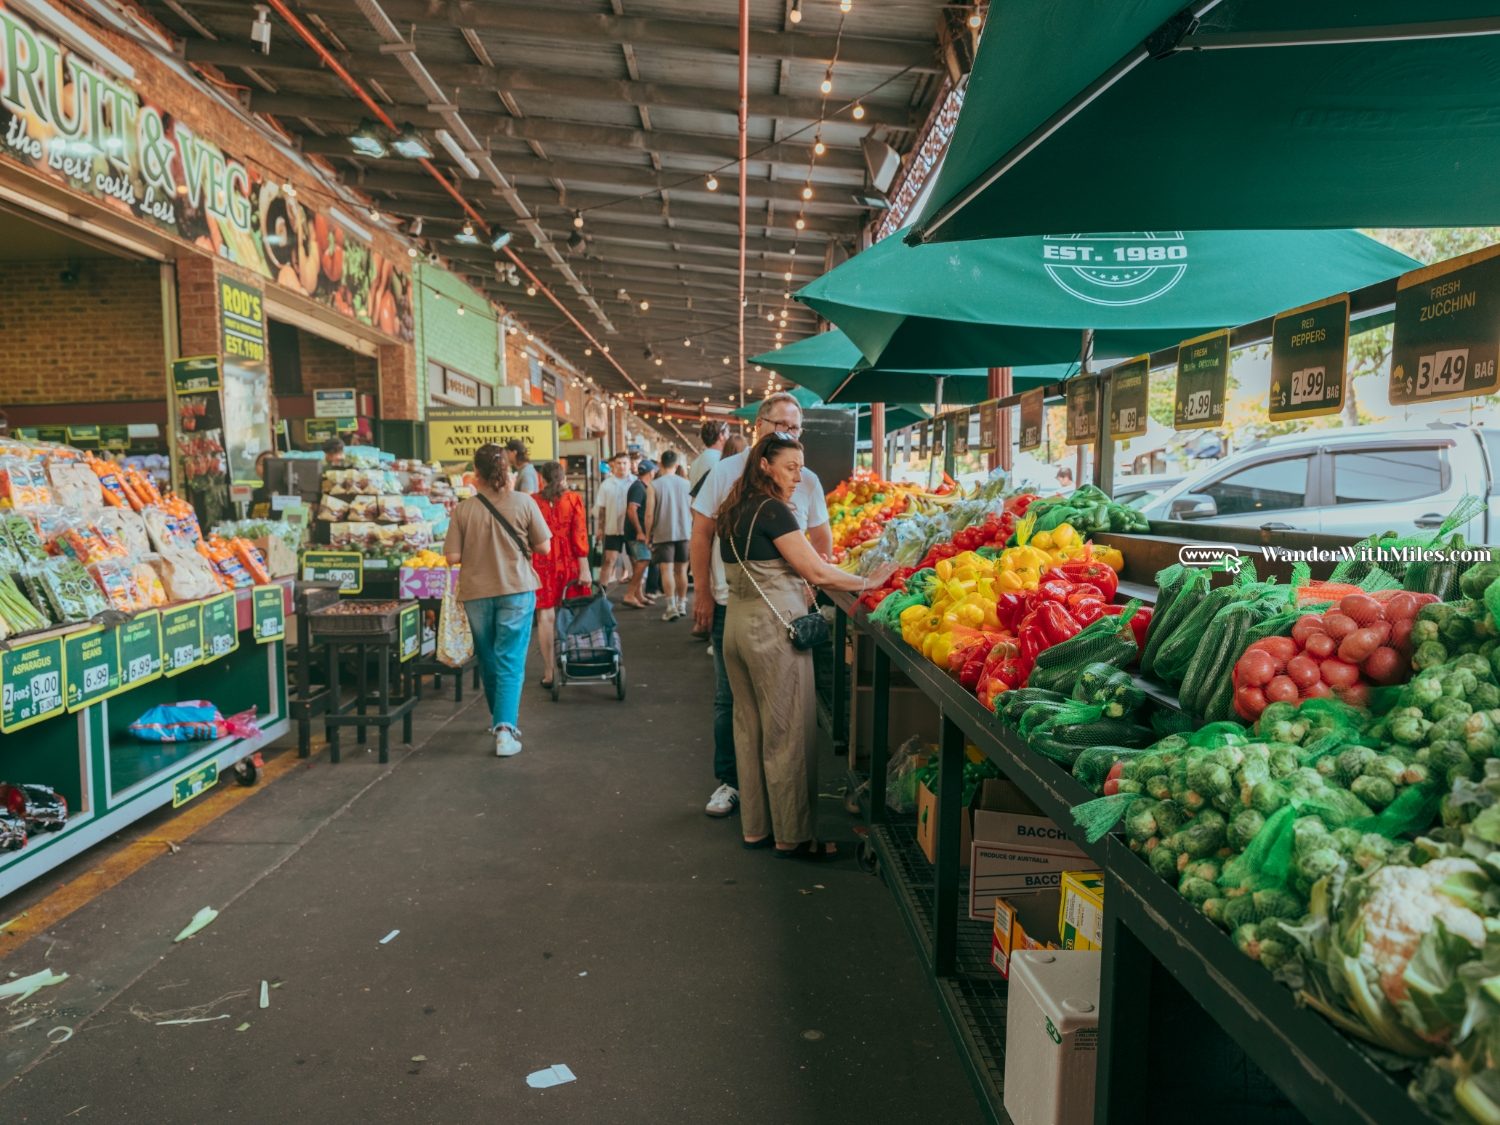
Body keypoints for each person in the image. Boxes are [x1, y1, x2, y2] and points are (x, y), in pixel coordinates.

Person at [717, 433, 895, 855]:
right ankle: (794, 837)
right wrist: (868, 581)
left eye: (800, 467)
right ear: (765, 465)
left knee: (750, 730)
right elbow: (818, 571)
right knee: (787, 731)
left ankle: (757, 828)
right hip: (772, 632)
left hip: (737, 628)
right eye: (791, 467)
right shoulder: (772, 509)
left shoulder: (734, 508)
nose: (799, 477)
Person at [689, 393, 832, 818]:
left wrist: (812, 584)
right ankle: (731, 782)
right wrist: (701, 593)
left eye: (795, 427)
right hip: (731, 602)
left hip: (786, 611)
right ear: (759, 425)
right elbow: (701, 534)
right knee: (731, 701)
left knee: (784, 707)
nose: (788, 433)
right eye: (780, 425)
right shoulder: (724, 473)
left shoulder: (805, 478)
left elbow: (821, 538)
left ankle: (773, 797)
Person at [443, 443, 551, 757]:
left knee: (488, 657)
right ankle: (504, 730)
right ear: (506, 468)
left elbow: (452, 557)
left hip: (476, 593)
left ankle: (499, 720)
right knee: (510, 659)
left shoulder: (463, 509)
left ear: (476, 472)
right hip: (516, 589)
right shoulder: (524, 502)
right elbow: (544, 547)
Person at [530, 461, 591, 689]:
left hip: (542, 562)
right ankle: (576, 661)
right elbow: (580, 533)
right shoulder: (574, 499)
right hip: (570, 561)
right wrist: (584, 566)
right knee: (572, 613)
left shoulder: (533, 501)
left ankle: (550, 672)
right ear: (564, 478)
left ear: (542, 479)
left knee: (545, 617)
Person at [647, 450, 693, 620]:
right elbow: (693, 510)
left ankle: (671, 607)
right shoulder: (687, 484)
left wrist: (647, 535)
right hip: (684, 532)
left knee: (666, 570)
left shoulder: (654, 485)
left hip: (662, 533)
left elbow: (649, 514)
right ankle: (682, 605)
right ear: (676, 465)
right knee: (682, 571)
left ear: (660, 464)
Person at [593, 452, 635, 588]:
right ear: (614, 465)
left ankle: (637, 592)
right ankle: (602, 591)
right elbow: (602, 508)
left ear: (629, 465)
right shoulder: (606, 484)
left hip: (632, 529)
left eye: (624, 463)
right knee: (609, 560)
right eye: (619, 463)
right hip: (612, 529)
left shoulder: (636, 483)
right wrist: (600, 528)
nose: (622, 466)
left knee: (635, 562)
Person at [623, 459, 656, 608]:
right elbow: (631, 510)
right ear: (651, 472)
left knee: (638, 564)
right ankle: (630, 595)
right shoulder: (638, 487)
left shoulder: (641, 486)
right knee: (644, 561)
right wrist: (640, 531)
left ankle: (638, 595)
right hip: (636, 533)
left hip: (634, 532)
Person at [690, 420, 728, 488]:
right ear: (721, 436)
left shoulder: (695, 463)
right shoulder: (720, 461)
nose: (728, 438)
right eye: (728, 435)